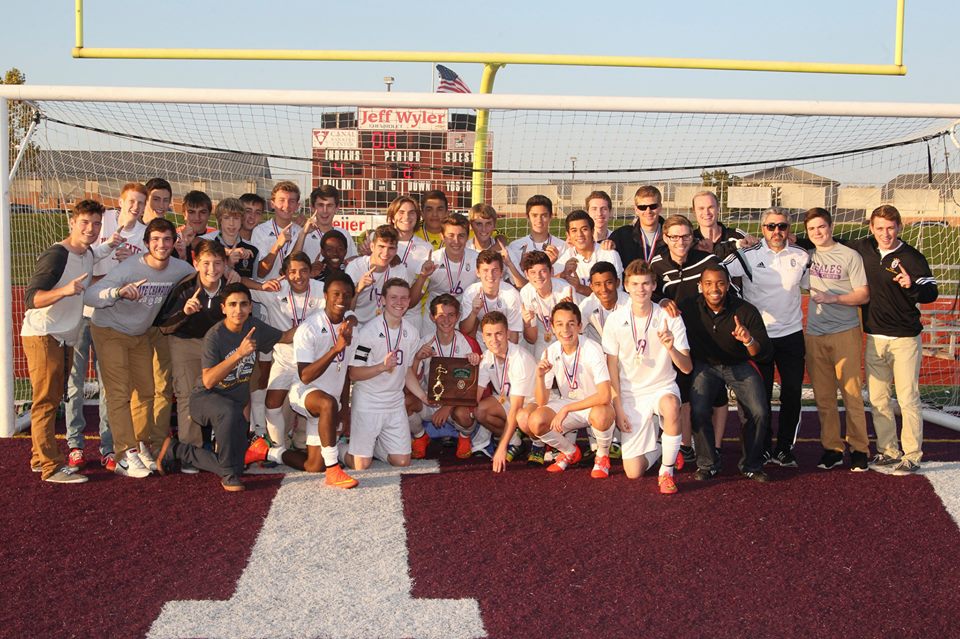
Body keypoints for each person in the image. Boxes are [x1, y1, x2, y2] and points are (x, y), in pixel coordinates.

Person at [85, 218, 196, 478]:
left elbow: (202, 278)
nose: (161, 244)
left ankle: (141, 444)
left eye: (167, 239)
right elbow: (90, 295)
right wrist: (118, 293)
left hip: (140, 334)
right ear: (146, 244)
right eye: (155, 239)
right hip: (110, 330)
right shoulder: (130, 268)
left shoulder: (180, 268)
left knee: (146, 392)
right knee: (119, 392)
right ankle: (124, 454)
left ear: (173, 242)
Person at [156, 283, 285, 492]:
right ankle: (228, 475)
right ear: (223, 308)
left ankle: (178, 449)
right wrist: (239, 354)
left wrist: (326, 320)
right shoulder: (214, 335)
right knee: (228, 415)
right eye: (232, 304)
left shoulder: (255, 327)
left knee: (238, 465)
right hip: (205, 400)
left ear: (251, 307)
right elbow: (208, 380)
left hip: (235, 406)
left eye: (243, 304)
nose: (238, 310)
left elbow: (286, 336)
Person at [245, 271, 360, 488]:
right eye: (336, 294)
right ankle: (334, 469)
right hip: (305, 392)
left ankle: (267, 451)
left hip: (330, 402)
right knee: (327, 403)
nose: (341, 300)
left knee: (313, 465)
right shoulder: (309, 328)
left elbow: (345, 371)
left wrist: (344, 408)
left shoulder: (352, 328)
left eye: (346, 295)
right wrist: (335, 350)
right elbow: (305, 375)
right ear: (325, 295)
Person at [22, 200, 105, 483]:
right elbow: (32, 298)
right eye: (85, 222)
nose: (91, 228)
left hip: (65, 336)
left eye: (96, 223)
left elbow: (89, 285)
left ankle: (38, 458)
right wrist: (65, 291)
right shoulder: (57, 254)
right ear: (72, 223)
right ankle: (51, 467)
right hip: (44, 334)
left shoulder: (89, 253)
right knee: (46, 402)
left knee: (54, 397)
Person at [851, 205, 938, 476]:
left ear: (899, 227)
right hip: (875, 337)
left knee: (908, 398)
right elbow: (831, 241)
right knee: (877, 399)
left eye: (890, 228)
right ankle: (889, 450)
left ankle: (912, 454)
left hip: (904, 340)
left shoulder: (911, 257)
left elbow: (931, 293)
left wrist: (912, 286)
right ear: (871, 228)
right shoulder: (864, 247)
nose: (885, 233)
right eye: (880, 228)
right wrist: (797, 240)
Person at [64, 183, 145, 471]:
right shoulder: (104, 222)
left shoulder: (145, 235)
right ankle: (75, 445)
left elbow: (141, 275)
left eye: (140, 202)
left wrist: (128, 266)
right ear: (120, 202)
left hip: (111, 318)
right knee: (75, 383)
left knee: (109, 386)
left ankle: (108, 448)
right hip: (82, 314)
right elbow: (84, 261)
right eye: (131, 201)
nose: (135, 206)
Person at [723, 208, 810, 467]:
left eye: (782, 226)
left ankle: (784, 448)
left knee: (792, 394)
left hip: (792, 335)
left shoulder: (802, 256)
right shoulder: (747, 256)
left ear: (789, 229)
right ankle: (760, 446)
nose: (776, 232)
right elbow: (718, 271)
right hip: (759, 339)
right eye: (771, 226)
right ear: (762, 229)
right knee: (758, 397)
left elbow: (812, 285)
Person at [603, 260, 692, 493]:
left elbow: (686, 368)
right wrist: (618, 407)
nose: (640, 289)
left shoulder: (669, 317)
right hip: (631, 394)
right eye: (635, 284)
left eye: (645, 284)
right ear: (626, 286)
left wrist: (671, 348)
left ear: (654, 286)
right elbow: (611, 368)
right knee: (634, 472)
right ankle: (663, 444)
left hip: (662, 386)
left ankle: (667, 471)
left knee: (672, 405)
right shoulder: (614, 319)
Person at [680, 265, 772, 482]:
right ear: (700, 286)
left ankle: (752, 464)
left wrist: (748, 340)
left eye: (720, 283)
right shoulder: (688, 308)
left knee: (759, 411)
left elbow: (763, 352)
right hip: (705, 365)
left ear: (728, 284)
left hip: (739, 364)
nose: (715, 289)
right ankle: (708, 463)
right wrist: (665, 303)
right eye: (709, 283)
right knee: (699, 409)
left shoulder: (745, 310)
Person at [802, 207, 871, 472]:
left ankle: (859, 448)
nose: (818, 232)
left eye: (821, 226)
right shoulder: (806, 257)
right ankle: (832, 448)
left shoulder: (849, 255)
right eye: (812, 229)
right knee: (824, 397)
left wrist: (834, 298)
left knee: (852, 394)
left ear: (830, 227)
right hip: (815, 334)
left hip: (845, 331)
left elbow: (863, 294)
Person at [651, 214, 723, 464]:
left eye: (685, 236)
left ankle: (716, 446)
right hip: (678, 340)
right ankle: (685, 445)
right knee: (682, 394)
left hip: (707, 337)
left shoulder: (709, 260)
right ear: (665, 238)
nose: (680, 241)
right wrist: (661, 299)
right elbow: (649, 292)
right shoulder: (657, 264)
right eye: (674, 236)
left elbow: (724, 290)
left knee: (715, 395)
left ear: (693, 237)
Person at [344, 278, 433, 469]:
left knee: (402, 462)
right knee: (360, 465)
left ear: (409, 302)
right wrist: (381, 367)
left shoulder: (411, 332)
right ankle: (342, 448)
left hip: (394, 403)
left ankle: (372, 447)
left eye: (404, 298)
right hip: (369, 402)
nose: (399, 303)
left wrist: (423, 396)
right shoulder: (368, 332)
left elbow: (407, 370)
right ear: (382, 300)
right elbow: (354, 373)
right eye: (393, 297)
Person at [520, 302, 616, 478]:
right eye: (560, 324)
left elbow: (604, 395)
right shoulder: (550, 351)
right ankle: (570, 451)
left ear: (579, 326)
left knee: (602, 415)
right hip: (569, 404)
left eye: (571, 323)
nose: (566, 329)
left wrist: (566, 409)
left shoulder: (592, 348)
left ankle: (602, 455)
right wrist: (540, 377)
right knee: (535, 421)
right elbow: (541, 402)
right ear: (553, 327)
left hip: (593, 404)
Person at [155, 240, 230, 457]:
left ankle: (222, 446)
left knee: (223, 394)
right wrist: (184, 313)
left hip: (217, 344)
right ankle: (192, 451)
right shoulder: (185, 288)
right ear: (196, 263)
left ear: (224, 265)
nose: (212, 269)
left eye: (217, 263)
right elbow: (164, 325)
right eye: (206, 263)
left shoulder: (229, 289)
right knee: (188, 395)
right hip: (185, 342)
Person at [254, 252, 326, 450]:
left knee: (313, 405)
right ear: (284, 274)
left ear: (311, 272)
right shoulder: (275, 290)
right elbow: (241, 284)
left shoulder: (322, 290)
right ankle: (279, 447)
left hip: (312, 362)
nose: (299, 276)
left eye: (304, 271)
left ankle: (310, 443)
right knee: (272, 404)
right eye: (292, 272)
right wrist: (261, 286)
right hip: (284, 361)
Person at [410, 294, 483, 459]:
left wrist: (447, 407)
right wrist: (417, 359)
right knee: (405, 402)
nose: (446, 320)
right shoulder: (424, 342)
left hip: (454, 405)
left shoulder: (467, 343)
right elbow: (411, 379)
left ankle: (464, 439)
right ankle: (421, 436)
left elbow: (471, 386)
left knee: (464, 413)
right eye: (441, 315)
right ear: (432, 317)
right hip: (429, 401)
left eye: (451, 315)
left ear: (457, 317)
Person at [475, 312, 538, 471]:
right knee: (479, 411)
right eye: (489, 335)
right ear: (483, 337)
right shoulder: (487, 357)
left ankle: (540, 443)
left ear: (507, 334)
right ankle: (515, 441)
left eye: (498, 334)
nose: (494, 340)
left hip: (533, 404)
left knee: (522, 418)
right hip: (508, 400)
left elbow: (517, 407)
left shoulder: (519, 359)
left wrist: (501, 448)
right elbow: (475, 396)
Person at [345, 225, 412, 323]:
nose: (386, 253)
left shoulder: (399, 269)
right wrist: (358, 289)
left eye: (391, 248)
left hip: (384, 325)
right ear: (372, 246)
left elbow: (402, 306)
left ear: (396, 250)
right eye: (381, 246)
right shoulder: (355, 267)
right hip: (356, 325)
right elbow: (346, 310)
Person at [459, 249, 524, 346]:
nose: (490, 275)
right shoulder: (471, 292)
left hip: (505, 340)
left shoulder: (511, 295)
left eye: (495, 270)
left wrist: (506, 357)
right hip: (482, 339)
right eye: (485, 270)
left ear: (501, 272)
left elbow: (513, 335)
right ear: (477, 272)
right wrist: (474, 312)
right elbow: (464, 330)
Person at [554, 210, 623, 300]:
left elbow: (615, 294)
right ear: (568, 235)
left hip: (607, 312)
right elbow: (547, 281)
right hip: (578, 313)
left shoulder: (609, 255)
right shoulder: (566, 257)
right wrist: (563, 274)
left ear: (592, 231)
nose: (579, 235)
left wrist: (580, 288)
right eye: (574, 231)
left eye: (584, 229)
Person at [518, 250, 574, 360]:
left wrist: (568, 314)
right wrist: (527, 324)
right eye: (533, 272)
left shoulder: (566, 290)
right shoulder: (526, 292)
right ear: (526, 275)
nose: (538, 276)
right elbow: (532, 339)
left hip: (564, 337)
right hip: (540, 337)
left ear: (551, 271)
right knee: (540, 366)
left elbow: (575, 331)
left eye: (543, 271)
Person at [252, 181, 305, 281]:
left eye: (292, 201)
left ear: (297, 206)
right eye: (281, 200)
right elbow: (260, 273)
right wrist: (277, 246)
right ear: (272, 204)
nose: (286, 205)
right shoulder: (260, 231)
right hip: (265, 293)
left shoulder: (301, 232)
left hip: (290, 292)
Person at [507, 195, 562, 286]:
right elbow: (515, 283)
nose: (539, 220)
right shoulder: (515, 246)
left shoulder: (562, 246)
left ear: (551, 217)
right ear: (527, 217)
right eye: (534, 215)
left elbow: (561, 280)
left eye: (544, 215)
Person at [609, 185, 667, 270]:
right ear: (636, 210)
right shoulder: (621, 236)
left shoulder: (672, 235)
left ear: (660, 207)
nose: (648, 211)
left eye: (653, 206)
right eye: (642, 207)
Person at [299, 185, 358, 263]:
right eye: (320, 205)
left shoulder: (344, 234)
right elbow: (290, 264)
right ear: (312, 208)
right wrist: (303, 234)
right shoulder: (302, 234)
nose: (325, 211)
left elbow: (352, 263)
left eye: (329, 205)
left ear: (337, 208)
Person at [202, 197, 259, 279]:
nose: (231, 223)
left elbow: (252, 282)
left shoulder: (253, 251)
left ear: (242, 220)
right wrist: (228, 264)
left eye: (236, 218)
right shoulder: (208, 246)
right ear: (220, 220)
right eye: (226, 218)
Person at [691, 190, 755, 260]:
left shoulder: (738, 236)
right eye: (701, 208)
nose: (706, 212)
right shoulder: (690, 241)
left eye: (710, 207)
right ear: (694, 211)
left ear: (718, 209)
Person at [469, 203, 522, 283]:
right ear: (471, 226)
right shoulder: (464, 250)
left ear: (494, 225)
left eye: (488, 223)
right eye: (479, 224)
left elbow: (522, 285)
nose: (484, 229)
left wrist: (510, 265)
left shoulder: (504, 251)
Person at [578, 261, 628, 344]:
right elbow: (575, 330)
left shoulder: (630, 304)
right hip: (602, 351)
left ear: (617, 283)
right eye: (598, 284)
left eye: (609, 283)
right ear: (591, 287)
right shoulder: (587, 305)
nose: (604, 289)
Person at [175, 190, 216, 262]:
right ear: (184, 214)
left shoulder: (216, 236)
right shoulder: (173, 237)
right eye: (191, 212)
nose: (197, 217)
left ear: (209, 214)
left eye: (202, 212)